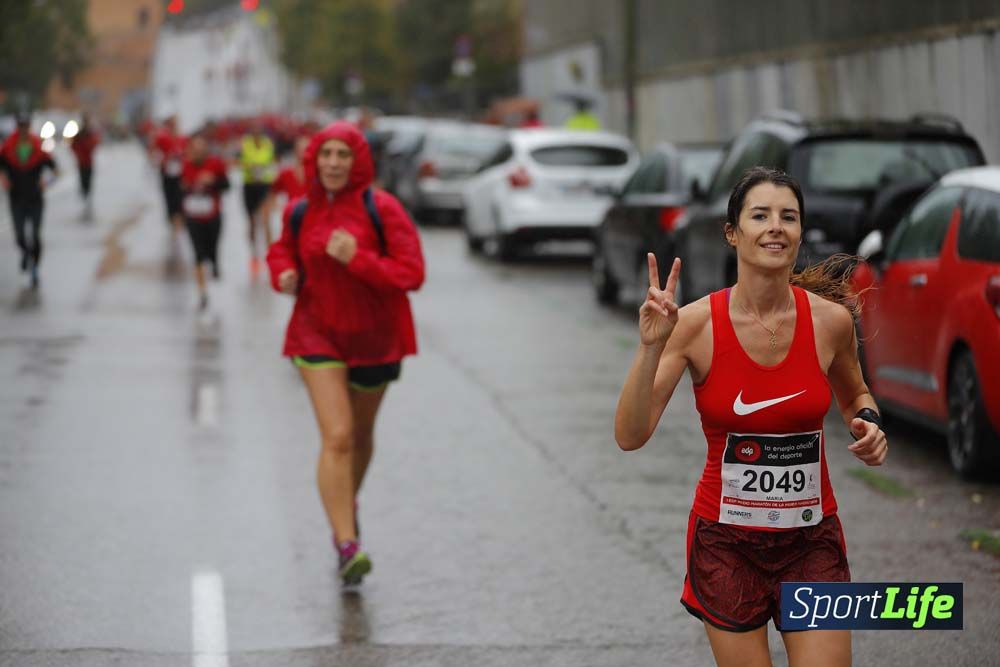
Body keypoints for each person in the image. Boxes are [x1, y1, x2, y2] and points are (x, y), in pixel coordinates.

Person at [614, 167, 888, 667]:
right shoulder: (694, 325)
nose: (775, 227)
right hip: (726, 543)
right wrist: (649, 348)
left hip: (811, 540)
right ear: (732, 233)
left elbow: (856, 395)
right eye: (759, 215)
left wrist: (867, 422)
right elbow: (630, 435)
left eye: (788, 217)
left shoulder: (830, 322)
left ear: (801, 231)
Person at [266, 121, 425, 586]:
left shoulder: (383, 208)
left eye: (343, 155)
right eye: (326, 154)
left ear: (357, 161)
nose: (333, 163)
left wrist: (357, 257)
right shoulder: (299, 210)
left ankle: (345, 501)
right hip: (316, 334)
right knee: (336, 436)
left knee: (359, 435)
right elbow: (282, 253)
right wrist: (283, 275)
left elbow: (412, 273)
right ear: (313, 160)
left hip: (376, 338)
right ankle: (346, 543)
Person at [0, 112, 59, 288]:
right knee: (19, 235)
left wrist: (46, 182)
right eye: (21, 125)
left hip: (35, 198)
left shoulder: (38, 146)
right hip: (16, 197)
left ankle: (35, 269)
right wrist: (4, 178)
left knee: (35, 235)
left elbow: (55, 170)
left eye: (26, 125)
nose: (23, 129)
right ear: (17, 127)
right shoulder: (8, 146)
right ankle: (26, 255)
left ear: (29, 126)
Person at [180, 130, 229, 310]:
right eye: (195, 148)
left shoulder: (216, 164)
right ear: (191, 149)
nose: (199, 151)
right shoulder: (185, 165)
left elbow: (226, 186)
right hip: (193, 216)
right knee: (198, 254)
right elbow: (180, 189)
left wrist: (213, 181)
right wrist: (186, 187)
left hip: (213, 215)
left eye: (202, 147)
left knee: (212, 248)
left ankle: (215, 263)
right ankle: (202, 292)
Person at [238, 120, 277, 277]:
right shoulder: (245, 144)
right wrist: (249, 167)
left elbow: (274, 160)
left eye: (259, 130)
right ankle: (254, 253)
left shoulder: (268, 144)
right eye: (254, 130)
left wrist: (265, 168)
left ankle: (270, 255)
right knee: (253, 222)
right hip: (250, 186)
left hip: (265, 185)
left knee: (266, 220)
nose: (256, 133)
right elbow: (238, 161)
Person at [257, 134, 309, 248]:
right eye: (300, 149)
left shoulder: (318, 174)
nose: (303, 153)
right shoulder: (286, 173)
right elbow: (271, 194)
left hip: (312, 221)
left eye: (307, 149)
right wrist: (272, 207)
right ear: (295, 151)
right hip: (293, 220)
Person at [152, 116, 187, 236]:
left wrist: (181, 157)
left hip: (180, 173)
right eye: (171, 124)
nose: (173, 126)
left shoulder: (182, 138)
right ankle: (172, 220)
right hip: (167, 172)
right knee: (169, 197)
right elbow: (154, 154)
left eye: (175, 124)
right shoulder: (161, 138)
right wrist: (162, 160)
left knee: (180, 196)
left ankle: (180, 220)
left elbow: (187, 153)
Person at [70, 113, 100, 219]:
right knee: (83, 183)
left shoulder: (89, 133)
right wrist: (78, 155)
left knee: (88, 183)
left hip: (88, 163)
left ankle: (87, 203)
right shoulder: (79, 134)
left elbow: (94, 144)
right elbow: (72, 145)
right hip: (82, 163)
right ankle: (85, 201)